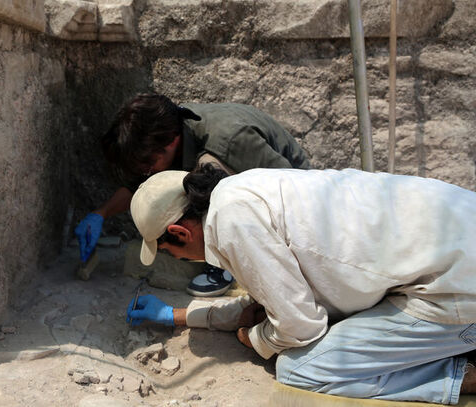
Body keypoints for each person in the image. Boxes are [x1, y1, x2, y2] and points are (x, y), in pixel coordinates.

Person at [125, 164, 476, 404]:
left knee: (301, 368)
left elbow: (300, 327)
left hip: (455, 290)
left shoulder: (232, 225)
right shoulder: (242, 191)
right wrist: (178, 315)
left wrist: (256, 339)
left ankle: (463, 374)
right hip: (458, 237)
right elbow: (264, 302)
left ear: (179, 233)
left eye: (169, 252)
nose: (179, 259)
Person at [74, 93, 310, 296]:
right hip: (275, 188)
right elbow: (139, 185)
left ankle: (223, 264)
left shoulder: (229, 140)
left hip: (294, 195)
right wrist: (100, 214)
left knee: (206, 174)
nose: (148, 173)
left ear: (172, 142)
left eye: (149, 165)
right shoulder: (168, 128)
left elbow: (290, 189)